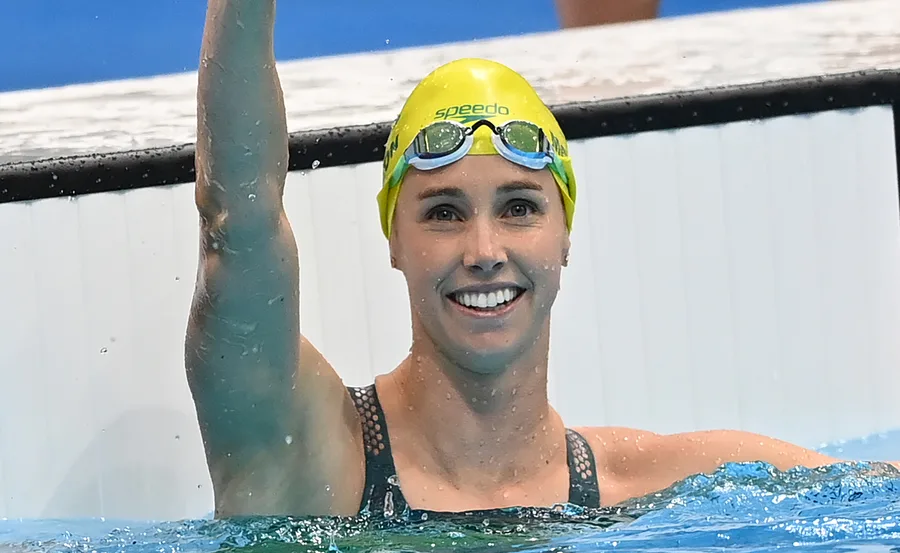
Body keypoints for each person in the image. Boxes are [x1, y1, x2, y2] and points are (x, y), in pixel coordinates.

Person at [186, 0, 895, 520]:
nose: (485, 252)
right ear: (394, 240)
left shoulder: (641, 487)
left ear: (564, 235)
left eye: (519, 208)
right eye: (444, 213)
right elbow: (235, 221)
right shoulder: (310, 457)